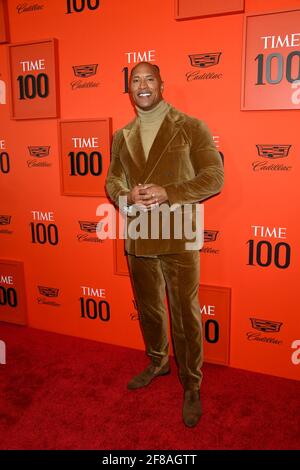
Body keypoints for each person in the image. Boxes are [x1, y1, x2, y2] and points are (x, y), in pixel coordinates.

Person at [105, 61, 224, 427]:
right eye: (135, 81)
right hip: (139, 236)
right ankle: (157, 362)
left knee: (185, 313)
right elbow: (112, 182)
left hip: (177, 234)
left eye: (148, 79)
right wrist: (127, 196)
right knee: (150, 309)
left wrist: (168, 192)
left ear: (161, 84)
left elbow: (214, 178)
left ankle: (192, 383)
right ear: (129, 90)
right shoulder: (121, 136)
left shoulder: (190, 126)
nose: (142, 86)